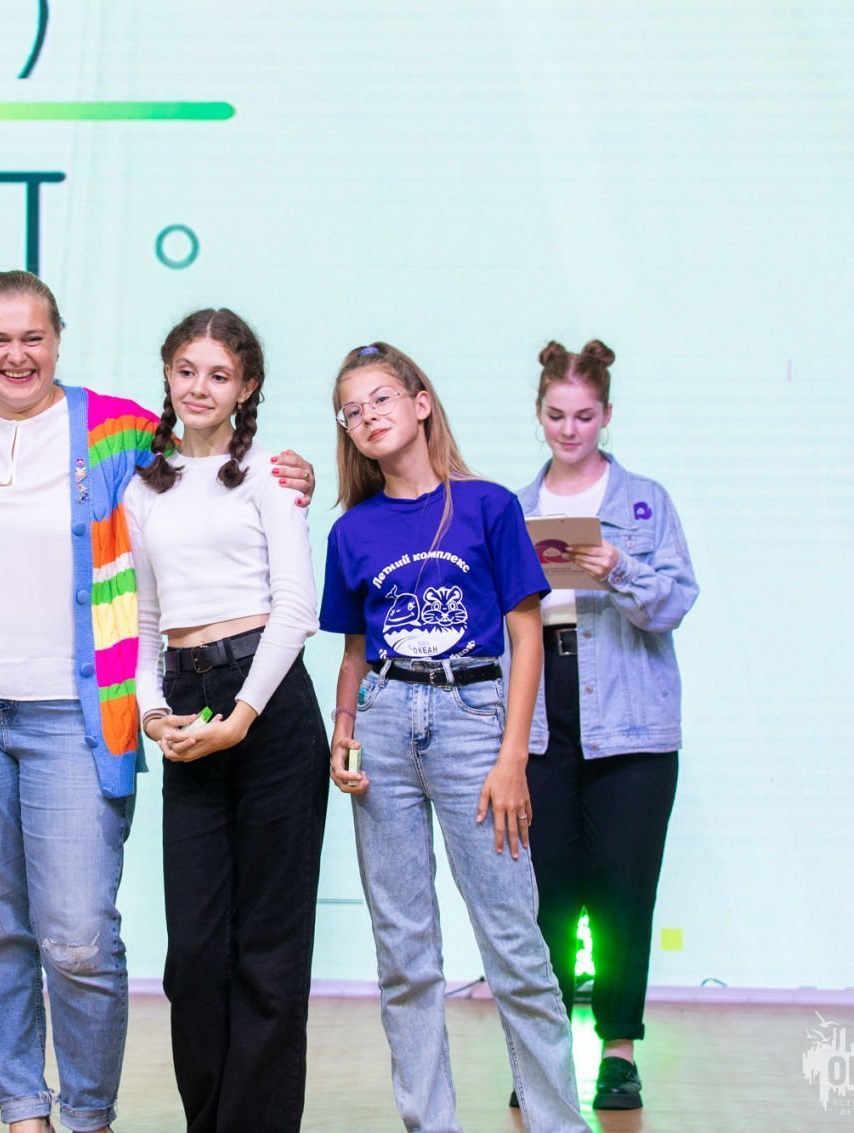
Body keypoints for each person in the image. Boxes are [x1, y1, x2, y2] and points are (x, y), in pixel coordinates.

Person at [0, 271, 314, 1133]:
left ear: (60, 339)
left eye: (34, 337)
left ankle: (89, 1115)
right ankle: (24, 1112)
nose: (17, 354)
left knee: (81, 936)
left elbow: (204, 459)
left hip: (69, 716)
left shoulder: (117, 431)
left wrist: (292, 469)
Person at [320, 343, 586, 1133]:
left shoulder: (489, 506)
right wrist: (343, 732)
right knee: (404, 952)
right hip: (382, 722)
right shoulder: (352, 529)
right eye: (351, 410)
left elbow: (526, 636)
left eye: (381, 398)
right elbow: (354, 652)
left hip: (473, 719)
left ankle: (557, 1121)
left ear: (421, 401)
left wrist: (513, 757)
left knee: (515, 942)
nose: (368, 416)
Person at [124, 309, 329, 1132]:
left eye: (218, 374)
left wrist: (243, 715)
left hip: (268, 707)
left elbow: (296, 609)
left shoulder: (273, 476)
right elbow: (145, 621)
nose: (199, 387)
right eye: (186, 370)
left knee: (269, 950)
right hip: (185, 701)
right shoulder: (144, 487)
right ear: (167, 376)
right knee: (196, 955)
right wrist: (152, 713)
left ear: (246, 387)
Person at [517, 339, 698, 1112]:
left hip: (631, 723)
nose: (570, 429)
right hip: (541, 717)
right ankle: (545, 1055)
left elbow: (675, 602)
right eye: (557, 415)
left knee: (624, 891)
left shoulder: (645, 501)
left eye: (584, 415)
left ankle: (618, 1052)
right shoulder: (515, 507)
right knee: (546, 894)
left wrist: (617, 566)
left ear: (607, 414)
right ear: (539, 414)